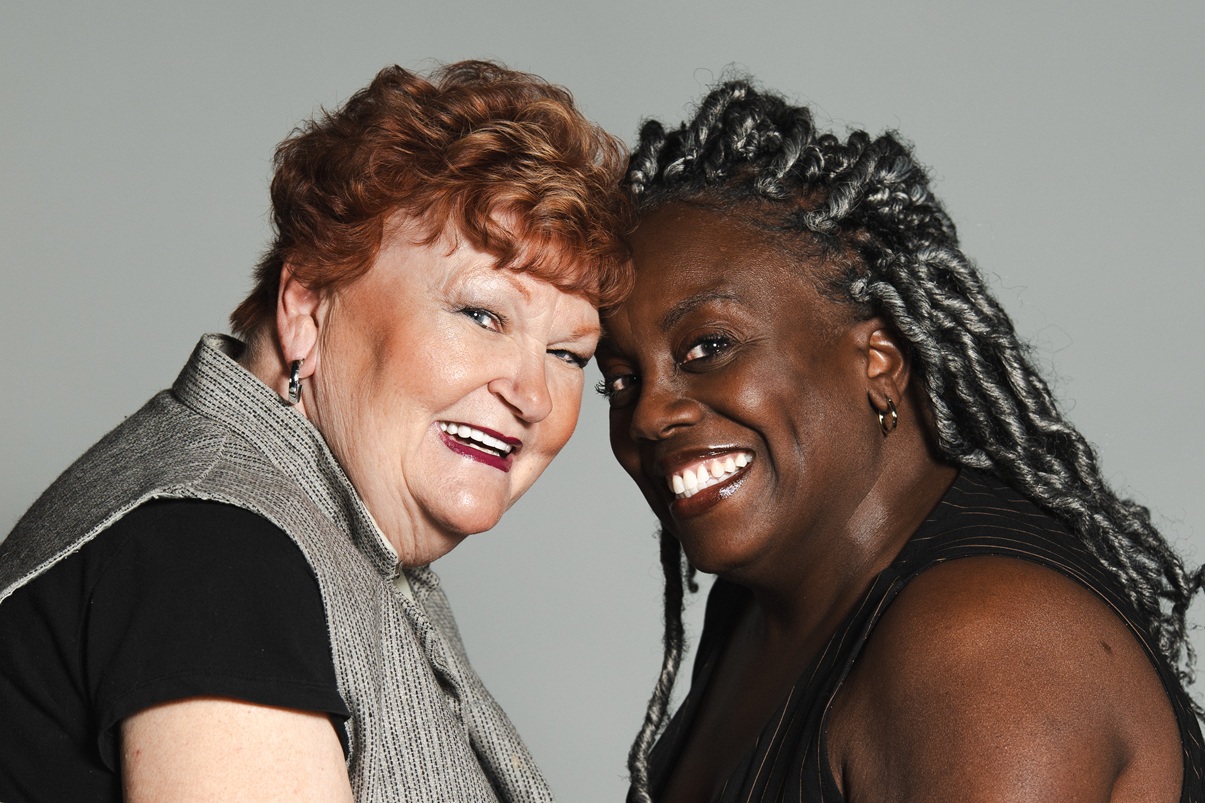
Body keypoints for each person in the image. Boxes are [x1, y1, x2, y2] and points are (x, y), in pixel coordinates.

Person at [0, 60, 630, 801]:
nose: (532, 395)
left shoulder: (319, 545)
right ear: (306, 305)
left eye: (567, 354)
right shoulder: (216, 553)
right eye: (481, 314)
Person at [597, 80, 1204, 802]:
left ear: (878, 362)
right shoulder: (761, 606)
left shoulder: (982, 645)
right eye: (620, 380)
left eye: (708, 347)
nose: (647, 415)